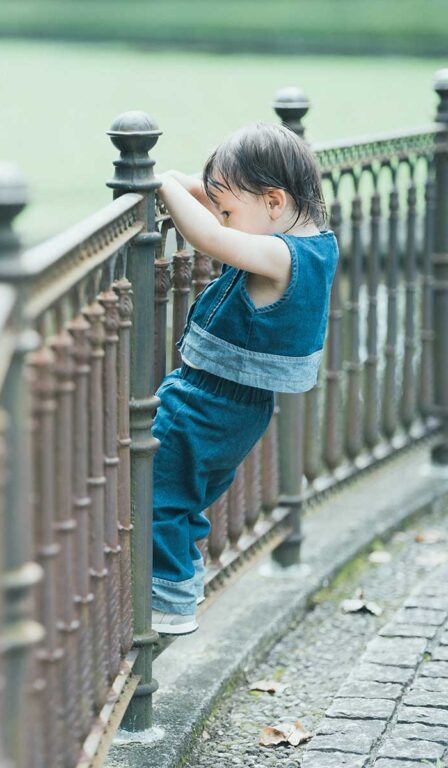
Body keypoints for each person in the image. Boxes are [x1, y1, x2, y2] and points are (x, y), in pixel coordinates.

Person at [150, 122, 339, 635]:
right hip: (237, 404)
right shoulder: (314, 243)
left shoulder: (279, 255)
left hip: (208, 403)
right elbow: (224, 219)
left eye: (230, 208)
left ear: (274, 200)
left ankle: (167, 601)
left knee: (156, 492)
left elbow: (209, 236)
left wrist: (159, 182)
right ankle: (179, 583)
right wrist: (204, 189)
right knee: (183, 492)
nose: (223, 217)